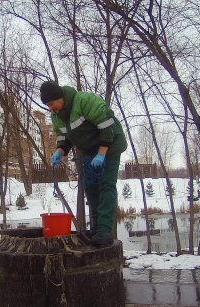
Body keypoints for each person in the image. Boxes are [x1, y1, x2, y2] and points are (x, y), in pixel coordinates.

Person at [40, 80, 127, 246]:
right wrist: (59, 152)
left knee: (106, 185)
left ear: (60, 98)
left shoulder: (85, 101)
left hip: (111, 144)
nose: (51, 108)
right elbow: (64, 138)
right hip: (89, 150)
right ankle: (95, 226)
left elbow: (107, 126)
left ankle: (104, 230)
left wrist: (102, 154)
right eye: (48, 105)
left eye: (51, 103)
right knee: (91, 186)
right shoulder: (56, 116)